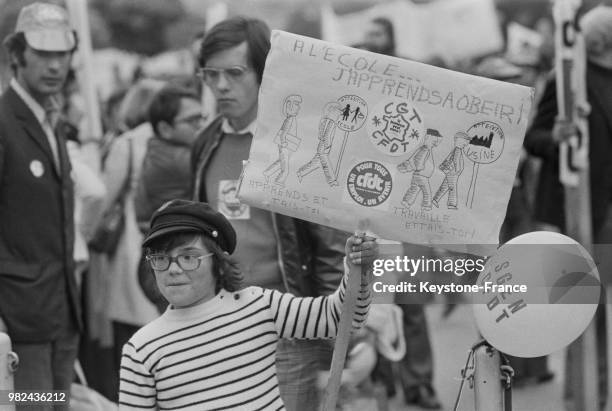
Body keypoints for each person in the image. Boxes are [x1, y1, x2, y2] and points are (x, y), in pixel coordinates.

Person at [191, 17, 350, 410]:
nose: (221, 86)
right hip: (216, 328)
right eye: (211, 75)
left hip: (288, 329)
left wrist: (339, 342)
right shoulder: (205, 142)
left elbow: (330, 247)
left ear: (264, 72)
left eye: (234, 73)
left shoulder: (296, 144)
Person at [119, 199, 376, 410]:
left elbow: (343, 318)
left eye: (188, 257)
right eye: (161, 258)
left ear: (218, 263)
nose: (173, 270)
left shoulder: (259, 306)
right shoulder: (142, 349)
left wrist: (357, 271)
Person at [524, 6, 612, 408]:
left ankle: (599, 391)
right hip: (582, 214)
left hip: (609, 209)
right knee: (585, 308)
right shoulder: (567, 79)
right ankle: (584, 395)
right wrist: (556, 137)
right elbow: (534, 137)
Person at [0, 2, 80, 402]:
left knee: (55, 405)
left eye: (62, 54)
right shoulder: (3, 121)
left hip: (62, 313)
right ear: (17, 55)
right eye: (43, 54)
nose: (55, 66)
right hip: (17, 323)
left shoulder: (53, 118)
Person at [135, 85, 205, 229]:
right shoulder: (178, 158)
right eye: (193, 121)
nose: (202, 126)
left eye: (203, 118)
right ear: (165, 129)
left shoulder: (160, 149)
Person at [398, 129, 443, 211]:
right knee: (427, 192)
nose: (436, 143)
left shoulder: (424, 148)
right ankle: (426, 206)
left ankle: (406, 202)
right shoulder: (426, 149)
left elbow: (415, 158)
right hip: (422, 176)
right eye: (435, 141)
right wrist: (420, 167)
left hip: (417, 175)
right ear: (428, 138)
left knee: (414, 189)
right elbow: (419, 160)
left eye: (437, 141)